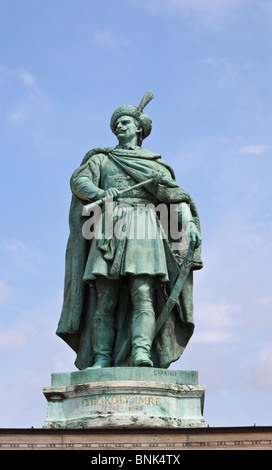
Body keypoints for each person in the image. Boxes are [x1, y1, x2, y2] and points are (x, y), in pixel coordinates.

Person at [56, 92, 203, 370]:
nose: (119, 127)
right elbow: (79, 181)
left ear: (139, 128)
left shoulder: (154, 165)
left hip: (145, 226)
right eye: (116, 124)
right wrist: (101, 191)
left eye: (125, 122)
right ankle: (101, 357)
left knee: (143, 292)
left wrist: (190, 224)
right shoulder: (102, 159)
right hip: (109, 226)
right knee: (105, 297)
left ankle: (141, 352)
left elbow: (174, 197)